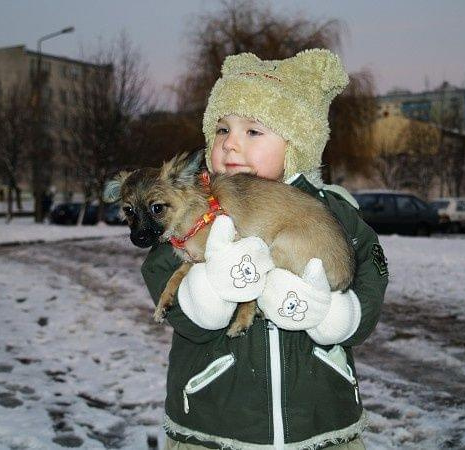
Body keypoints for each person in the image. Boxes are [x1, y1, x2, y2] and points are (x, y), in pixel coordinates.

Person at [141, 49, 388, 450]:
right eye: (222, 130)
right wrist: (206, 290)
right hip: (214, 425)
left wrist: (338, 315)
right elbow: (163, 282)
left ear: (296, 144)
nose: (231, 145)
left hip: (320, 425)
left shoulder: (335, 212)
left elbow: (371, 279)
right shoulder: (187, 210)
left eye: (253, 132)